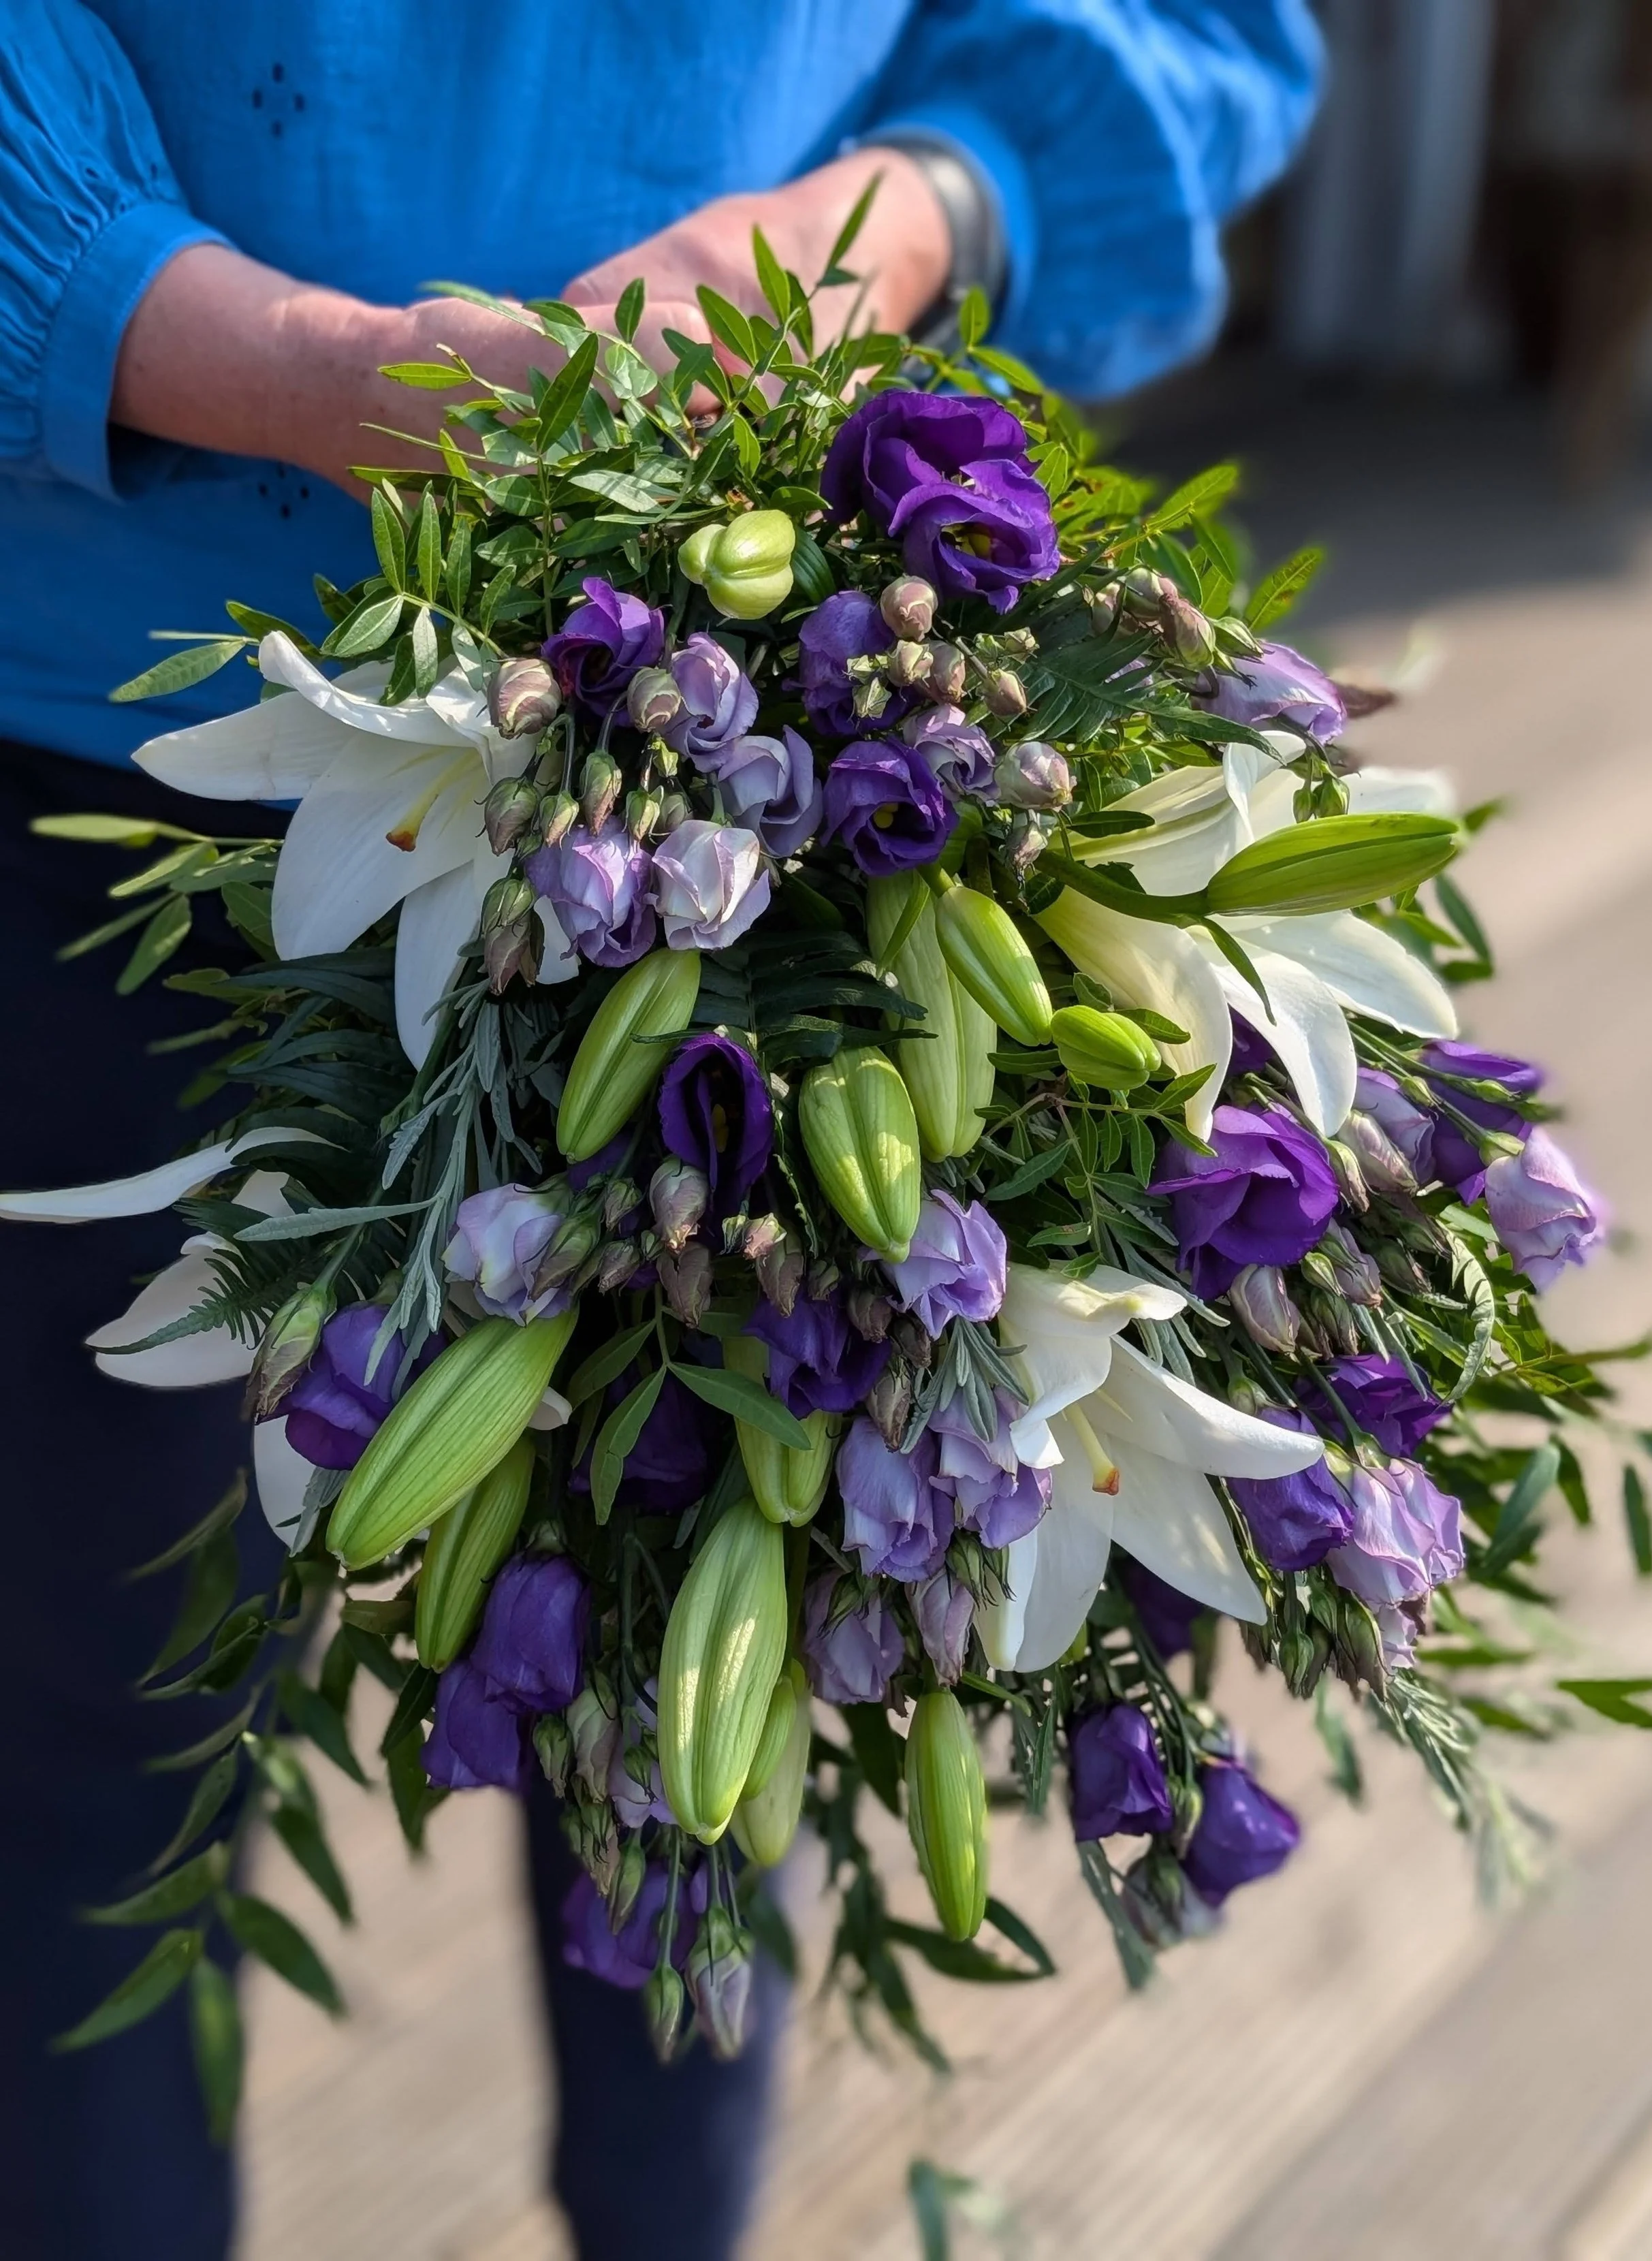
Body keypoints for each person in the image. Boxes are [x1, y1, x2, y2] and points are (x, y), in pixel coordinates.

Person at [0, 5, 1325, 2257]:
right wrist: (283, 362)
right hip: (132, 739)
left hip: (780, 728)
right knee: (88, 1729)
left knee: (710, 1704)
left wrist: (867, 224)